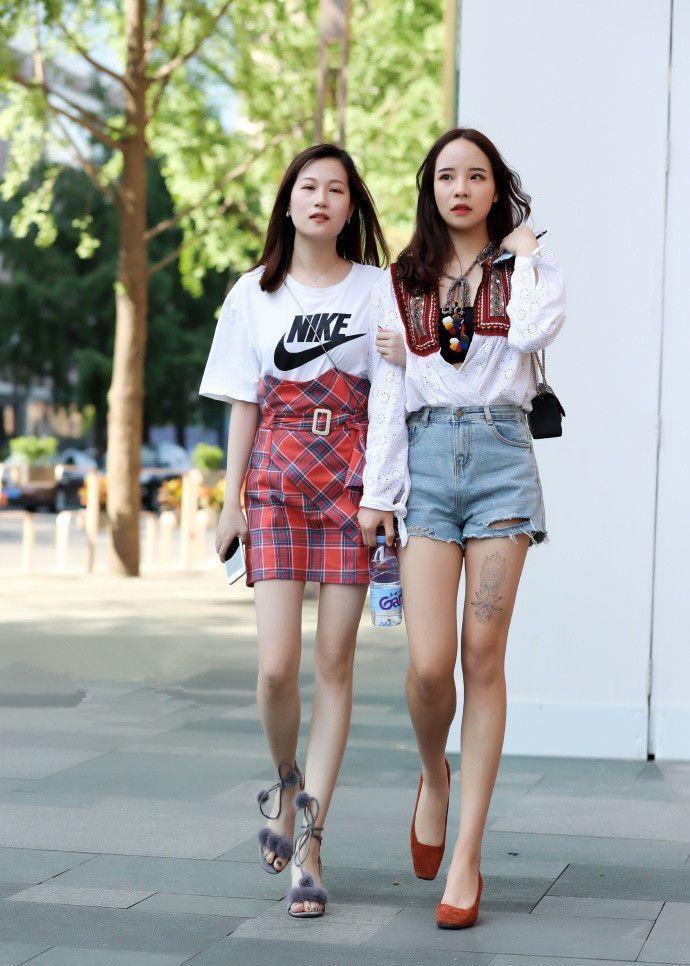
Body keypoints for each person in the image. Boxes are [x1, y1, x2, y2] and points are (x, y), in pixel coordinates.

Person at [358, 128, 566, 929]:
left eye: (477, 176)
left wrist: (527, 257)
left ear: (496, 189)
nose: (461, 188)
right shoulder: (401, 281)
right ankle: (433, 773)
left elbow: (533, 332)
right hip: (426, 464)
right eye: (447, 176)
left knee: (483, 655)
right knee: (427, 665)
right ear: (431, 189)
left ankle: (468, 857)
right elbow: (390, 390)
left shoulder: (525, 272)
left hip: (502, 461)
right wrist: (379, 492)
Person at [199, 143, 404, 918]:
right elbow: (243, 401)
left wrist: (384, 493)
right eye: (308, 187)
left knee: (334, 664)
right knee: (277, 668)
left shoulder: (380, 290)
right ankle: (286, 784)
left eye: (336, 189)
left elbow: (395, 393)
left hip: (352, 484)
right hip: (277, 484)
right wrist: (230, 503)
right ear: (288, 203)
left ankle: (310, 844)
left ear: (352, 207)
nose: (321, 198)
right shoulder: (253, 292)